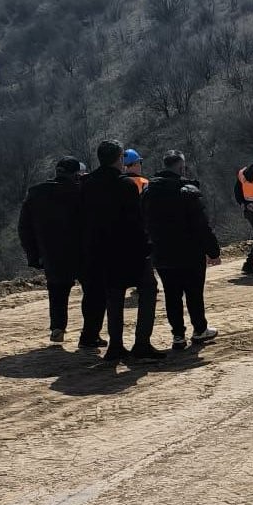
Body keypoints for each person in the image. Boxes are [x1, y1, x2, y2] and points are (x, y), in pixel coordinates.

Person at [78, 139, 163, 360]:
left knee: (113, 296)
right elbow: (135, 221)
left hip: (99, 250)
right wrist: (146, 247)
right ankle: (142, 343)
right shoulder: (125, 185)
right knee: (148, 290)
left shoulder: (86, 184)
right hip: (128, 249)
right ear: (119, 159)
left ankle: (115, 346)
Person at [143, 150, 221, 351]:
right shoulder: (187, 191)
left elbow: (143, 222)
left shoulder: (149, 192)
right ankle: (199, 329)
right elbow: (201, 225)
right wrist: (213, 251)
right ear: (180, 167)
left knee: (172, 294)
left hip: (161, 252)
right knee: (194, 293)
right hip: (189, 252)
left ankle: (178, 335)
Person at [18, 157, 84, 345]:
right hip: (82, 251)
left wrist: (33, 255)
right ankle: (90, 332)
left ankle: (57, 328)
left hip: (51, 253)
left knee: (57, 291)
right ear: (76, 174)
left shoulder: (35, 193)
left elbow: (24, 228)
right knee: (92, 291)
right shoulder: (81, 192)